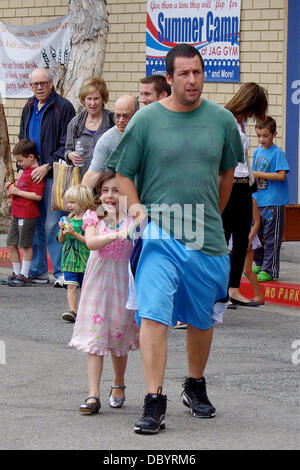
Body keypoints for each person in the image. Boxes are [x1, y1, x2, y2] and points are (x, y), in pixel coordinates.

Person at [106, 43, 244, 434]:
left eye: (197, 72)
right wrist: (137, 212)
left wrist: (209, 217)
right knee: (153, 314)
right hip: (158, 233)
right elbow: (125, 173)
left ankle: (194, 385)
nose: (192, 80)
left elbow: (226, 175)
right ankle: (154, 399)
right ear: (168, 78)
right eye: (183, 74)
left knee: (201, 318)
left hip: (205, 235)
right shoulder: (146, 120)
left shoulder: (221, 120)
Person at [69, 170, 139, 414]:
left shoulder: (134, 218)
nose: (110, 196)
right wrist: (118, 233)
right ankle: (92, 395)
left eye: (116, 190)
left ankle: (118, 385)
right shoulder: (93, 216)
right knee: (95, 338)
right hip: (97, 282)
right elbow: (91, 243)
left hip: (122, 282)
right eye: (105, 190)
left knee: (118, 337)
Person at [19, 67, 75, 287]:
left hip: (52, 174)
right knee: (34, 222)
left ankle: (60, 272)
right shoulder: (29, 106)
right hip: (30, 175)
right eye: (35, 84)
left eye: (43, 83)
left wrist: (46, 167)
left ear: (52, 83)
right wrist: (24, 166)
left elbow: (66, 144)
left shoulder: (63, 107)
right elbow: (22, 138)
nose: (39, 88)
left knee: (53, 224)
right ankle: (38, 271)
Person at [222, 82, 268, 308]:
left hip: (242, 185)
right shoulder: (226, 118)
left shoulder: (240, 123)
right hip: (229, 184)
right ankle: (219, 289)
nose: (252, 115)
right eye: (253, 109)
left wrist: (251, 185)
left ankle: (233, 288)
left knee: (241, 239)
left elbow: (245, 158)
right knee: (223, 237)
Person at [0, 140, 45, 287]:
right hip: (16, 213)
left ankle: (25, 274)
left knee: (25, 245)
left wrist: (19, 191)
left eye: (20, 160)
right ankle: (16, 272)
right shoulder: (24, 172)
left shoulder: (35, 173)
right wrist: (13, 191)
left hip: (27, 214)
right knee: (11, 243)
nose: (19, 164)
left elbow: (37, 196)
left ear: (31, 157)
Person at [252, 116, 289, 282]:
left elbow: (281, 175)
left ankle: (269, 269)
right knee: (257, 236)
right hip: (258, 201)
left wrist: (258, 174)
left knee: (271, 237)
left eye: (265, 136)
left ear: (274, 134)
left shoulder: (277, 153)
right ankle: (259, 263)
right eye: (259, 136)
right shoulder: (257, 151)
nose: (262, 139)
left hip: (274, 202)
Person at [81, 95, 139, 189]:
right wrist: (80, 199)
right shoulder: (106, 140)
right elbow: (94, 173)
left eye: (125, 116)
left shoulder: (146, 132)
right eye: (117, 116)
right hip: (122, 194)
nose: (121, 120)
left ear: (136, 114)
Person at [64, 77, 114, 179]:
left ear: (103, 99)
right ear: (83, 100)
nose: (92, 103)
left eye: (96, 98)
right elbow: (67, 149)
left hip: (107, 181)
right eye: (89, 99)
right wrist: (70, 155)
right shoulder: (75, 123)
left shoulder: (112, 121)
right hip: (82, 180)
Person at [57, 185, 94, 323]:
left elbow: (89, 241)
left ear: (84, 202)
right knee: (71, 286)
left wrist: (74, 233)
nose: (69, 205)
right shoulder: (67, 220)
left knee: (85, 288)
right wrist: (62, 230)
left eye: (73, 202)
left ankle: (86, 311)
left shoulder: (88, 221)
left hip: (85, 261)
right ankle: (72, 310)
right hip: (69, 260)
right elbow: (61, 241)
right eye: (68, 202)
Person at [229, 197, 265, 306]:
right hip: (233, 236)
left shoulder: (251, 201)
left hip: (247, 236)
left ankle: (259, 295)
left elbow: (257, 222)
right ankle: (230, 294)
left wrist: (249, 239)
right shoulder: (230, 198)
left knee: (247, 270)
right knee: (230, 267)